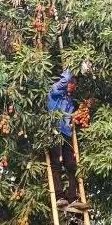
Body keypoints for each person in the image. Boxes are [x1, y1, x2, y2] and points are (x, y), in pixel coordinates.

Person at [46, 70, 90, 213]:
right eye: (72, 83)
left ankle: (72, 198)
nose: (73, 86)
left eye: (74, 84)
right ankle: (59, 196)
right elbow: (62, 82)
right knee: (56, 163)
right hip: (54, 131)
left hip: (66, 133)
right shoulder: (55, 92)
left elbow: (71, 116)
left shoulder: (69, 100)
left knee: (71, 165)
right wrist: (71, 69)